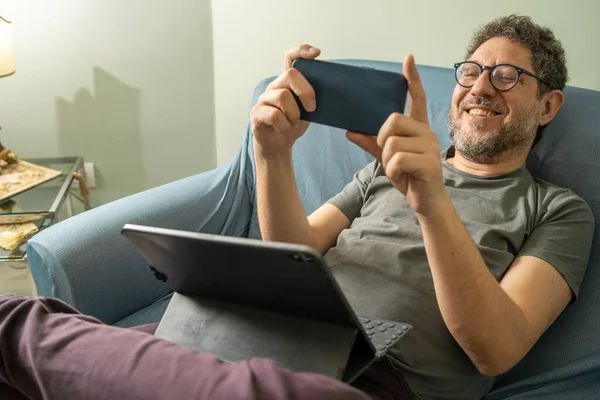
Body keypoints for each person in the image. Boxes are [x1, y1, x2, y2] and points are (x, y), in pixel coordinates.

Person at [0, 14, 594, 400]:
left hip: (374, 381)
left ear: (547, 106)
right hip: (261, 336)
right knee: (23, 317)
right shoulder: (375, 173)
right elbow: (289, 256)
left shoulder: (557, 210)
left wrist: (431, 199)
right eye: (472, 71)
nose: (481, 87)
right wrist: (272, 154)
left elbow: (497, 348)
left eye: (508, 75)